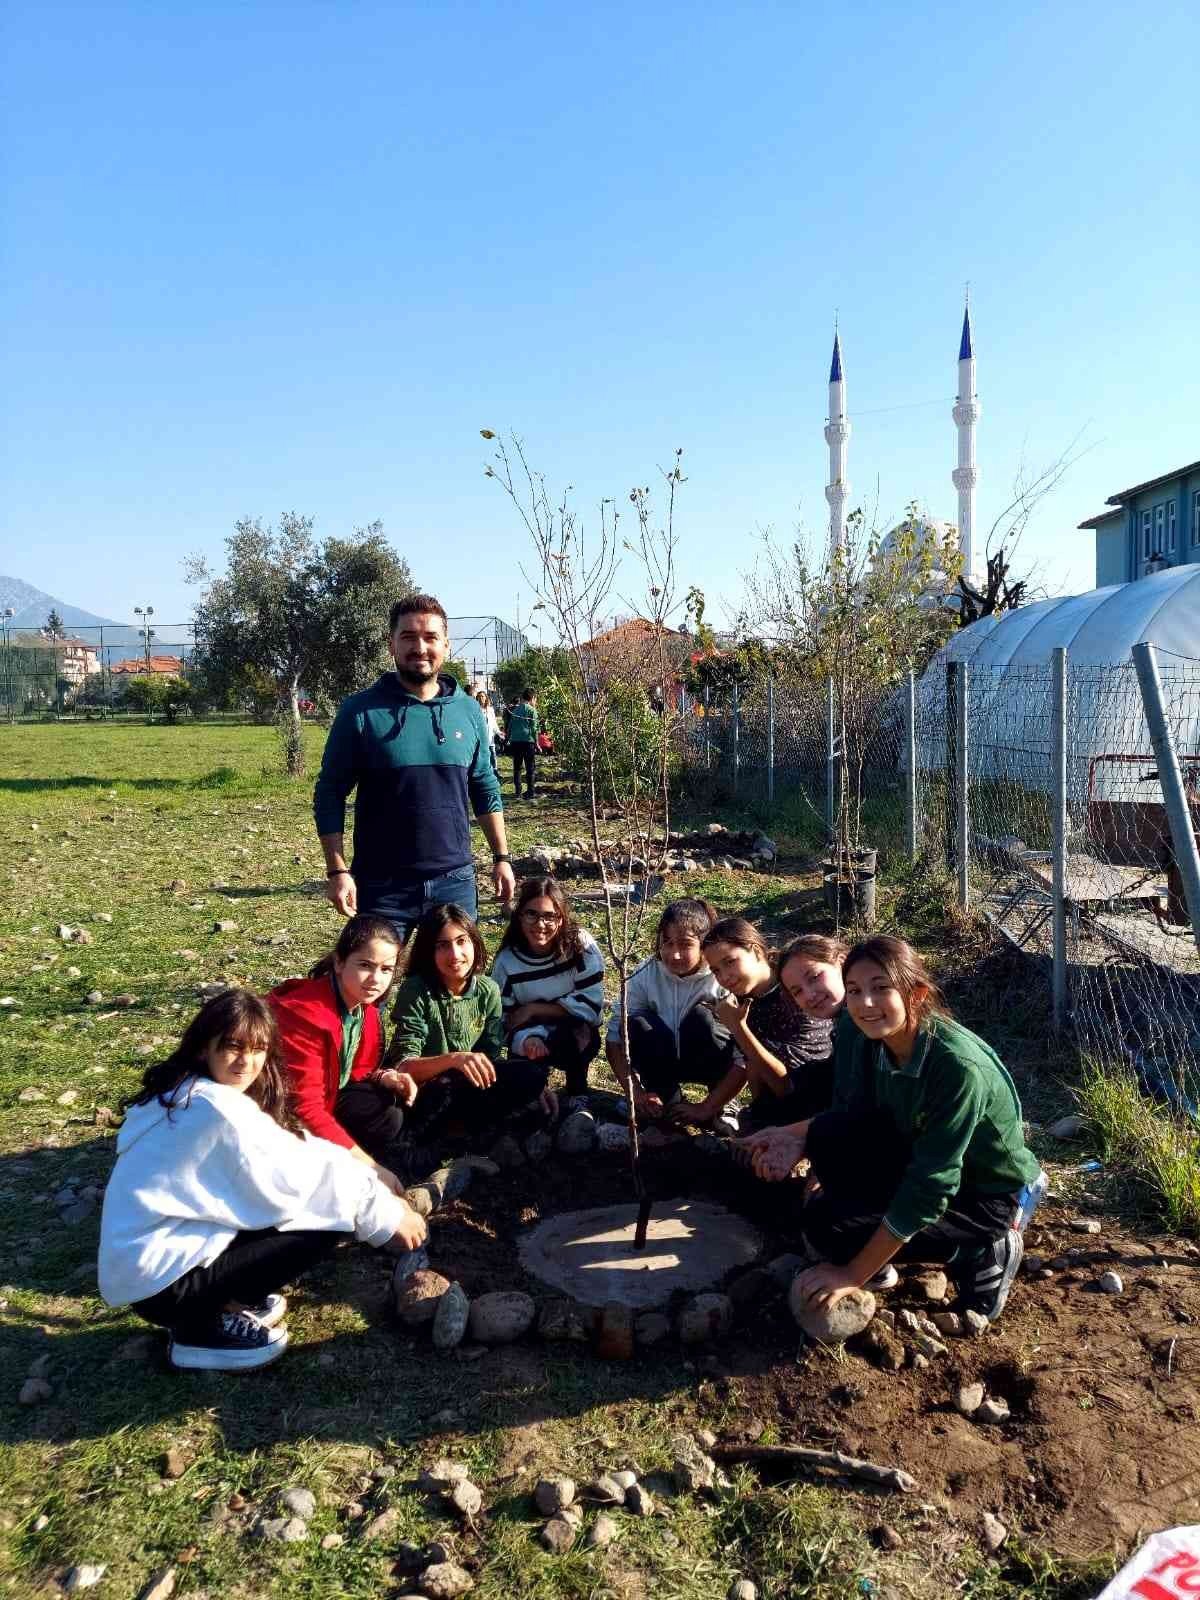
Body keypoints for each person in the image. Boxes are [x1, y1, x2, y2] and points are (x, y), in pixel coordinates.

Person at [98, 989, 426, 1372]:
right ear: (205, 1047)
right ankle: (198, 1329)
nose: (245, 1062)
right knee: (327, 1221)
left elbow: (299, 1148)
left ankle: (230, 1297)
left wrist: (371, 1180)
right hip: (164, 1285)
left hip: (161, 1261)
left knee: (321, 1203)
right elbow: (302, 1177)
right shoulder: (214, 1110)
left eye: (257, 1050)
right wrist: (385, 1214)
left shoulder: (187, 1091)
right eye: (233, 1047)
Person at [745, 935, 1045, 1323]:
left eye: (880, 988)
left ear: (916, 994)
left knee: (839, 1235)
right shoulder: (867, 1036)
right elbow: (851, 1115)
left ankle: (984, 1248)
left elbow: (931, 1184)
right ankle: (887, 1250)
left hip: (983, 1191)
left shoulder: (955, 1067)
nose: (865, 1003)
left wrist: (852, 1274)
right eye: (854, 990)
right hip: (914, 1152)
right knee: (824, 1194)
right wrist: (792, 1136)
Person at [314, 594, 515, 941]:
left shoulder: (468, 711)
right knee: (373, 986)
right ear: (391, 644)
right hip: (381, 885)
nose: (419, 647)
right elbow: (329, 793)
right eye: (408, 637)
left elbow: (484, 787)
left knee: (453, 988)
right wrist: (337, 870)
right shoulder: (360, 712)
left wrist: (502, 857)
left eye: (430, 638)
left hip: (455, 882)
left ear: (446, 646)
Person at [269, 916, 437, 1186]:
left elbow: (357, 1071)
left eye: (386, 969)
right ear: (339, 962)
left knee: (387, 1111)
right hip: (278, 1116)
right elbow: (303, 1106)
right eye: (365, 965)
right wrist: (370, 1167)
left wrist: (385, 1076)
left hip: (325, 1100)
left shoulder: (363, 1010)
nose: (375, 979)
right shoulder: (304, 1015)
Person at [383, 904, 557, 1142]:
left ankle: (469, 1130)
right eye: (442, 945)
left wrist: (530, 1086)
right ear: (428, 951)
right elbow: (404, 1065)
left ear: (474, 942)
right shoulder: (416, 989)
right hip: (427, 1088)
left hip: (466, 1088)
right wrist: (455, 1060)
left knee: (532, 1076)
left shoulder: (487, 990)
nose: (455, 955)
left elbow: (491, 1057)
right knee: (441, 1089)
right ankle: (442, 1137)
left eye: (461, 941)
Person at [671, 917, 836, 1132]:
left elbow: (789, 1087)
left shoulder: (795, 993)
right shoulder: (748, 997)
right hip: (777, 1102)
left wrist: (739, 1028)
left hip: (816, 1107)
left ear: (757, 951)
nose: (725, 977)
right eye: (716, 970)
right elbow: (749, 1065)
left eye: (730, 962)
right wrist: (710, 1108)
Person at [605, 898, 736, 1119]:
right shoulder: (646, 972)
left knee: (702, 1018)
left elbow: (745, 1055)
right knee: (635, 1024)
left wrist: (708, 1106)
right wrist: (635, 1092)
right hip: (662, 1060)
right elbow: (615, 1036)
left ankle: (721, 1106)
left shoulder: (719, 976)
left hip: (707, 1060)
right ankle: (668, 1102)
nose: (674, 954)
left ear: (704, 944)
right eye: (667, 942)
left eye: (685, 944)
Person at [490, 877, 605, 1096]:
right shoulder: (507, 960)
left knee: (580, 1033)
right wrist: (529, 1037)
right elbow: (504, 1016)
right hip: (527, 1033)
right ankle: (535, 1092)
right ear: (520, 915)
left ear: (561, 919)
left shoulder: (581, 946)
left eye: (549, 916)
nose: (540, 924)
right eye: (531, 914)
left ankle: (577, 1093)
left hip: (571, 1029)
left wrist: (534, 1009)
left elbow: (592, 1007)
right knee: (525, 1096)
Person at [504, 688, 539, 800]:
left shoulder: (515, 710)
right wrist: (537, 743)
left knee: (517, 768)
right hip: (528, 742)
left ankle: (518, 792)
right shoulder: (532, 710)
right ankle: (530, 792)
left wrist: (507, 739)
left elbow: (510, 726)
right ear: (532, 698)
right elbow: (534, 729)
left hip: (516, 742)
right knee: (530, 768)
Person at [475, 688, 501, 769]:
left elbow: (494, 723)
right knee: (482, 756)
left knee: (493, 754)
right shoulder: (476, 710)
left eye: (482, 696)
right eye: (479, 697)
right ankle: (484, 770)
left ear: (486, 698)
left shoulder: (490, 710)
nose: (481, 698)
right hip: (480, 737)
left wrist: (499, 732)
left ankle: (495, 771)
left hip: (490, 737)